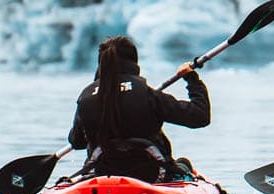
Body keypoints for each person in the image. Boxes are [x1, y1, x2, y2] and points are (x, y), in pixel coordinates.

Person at [68, 35, 211, 182]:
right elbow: (200, 116)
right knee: (184, 164)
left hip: (103, 176)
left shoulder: (86, 98)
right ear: (134, 62)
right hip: (151, 176)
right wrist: (192, 79)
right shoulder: (148, 95)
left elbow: (77, 142)